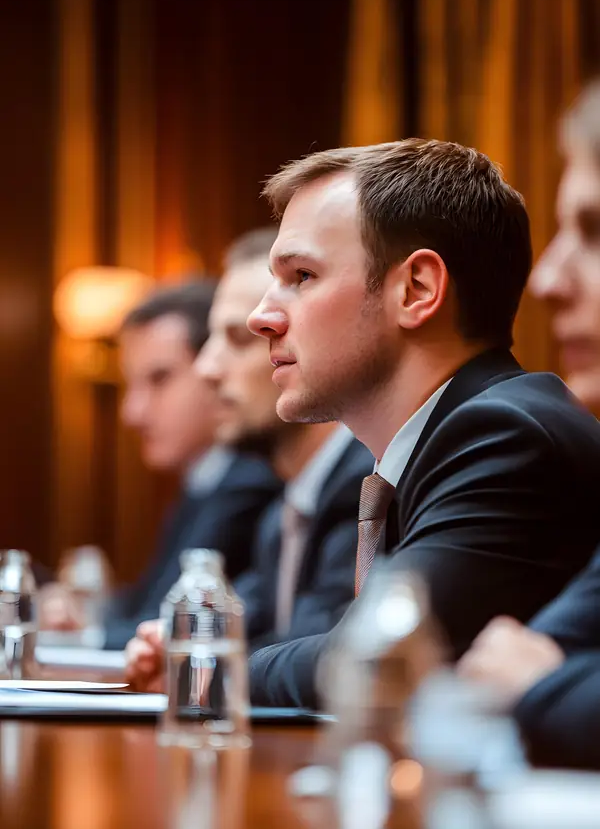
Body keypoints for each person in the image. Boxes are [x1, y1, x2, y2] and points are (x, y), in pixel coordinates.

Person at [239, 137, 600, 710]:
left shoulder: (505, 435)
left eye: (302, 276)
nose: (262, 316)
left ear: (417, 289)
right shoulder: (447, 437)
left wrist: (210, 665)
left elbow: (369, 657)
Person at [124, 229, 372, 689]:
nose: (207, 369)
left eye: (239, 338)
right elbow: (245, 628)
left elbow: (332, 653)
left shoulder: (366, 485)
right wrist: (175, 647)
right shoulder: (284, 508)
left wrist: (200, 665)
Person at [459, 81, 600, 770]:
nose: (546, 281)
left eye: (596, 232)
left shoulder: (506, 427)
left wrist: (544, 690)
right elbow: (506, 661)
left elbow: (524, 672)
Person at [41, 280, 281, 649]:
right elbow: (147, 603)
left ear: (211, 369)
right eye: (130, 385)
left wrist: (77, 637)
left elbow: (162, 626)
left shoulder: (249, 481)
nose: (132, 413)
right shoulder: (204, 480)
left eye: (159, 379)